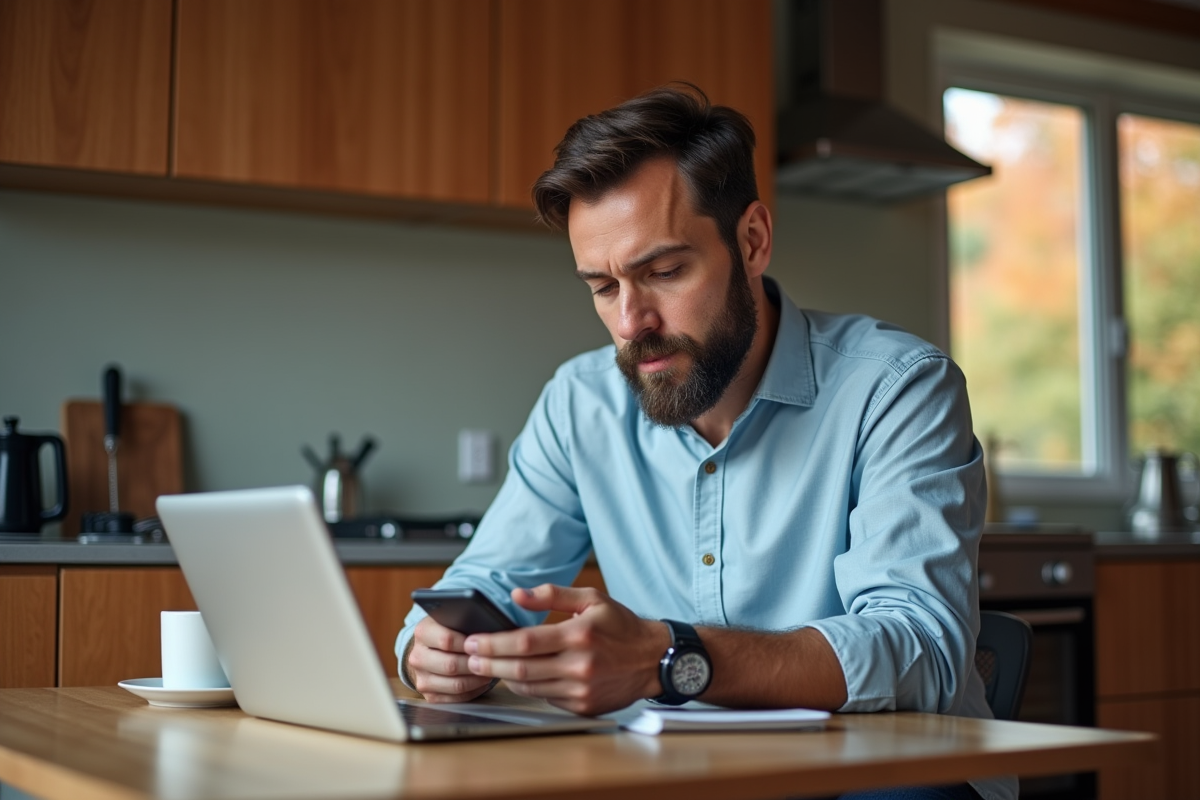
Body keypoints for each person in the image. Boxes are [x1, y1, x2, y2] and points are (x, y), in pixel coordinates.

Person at [394, 85, 1014, 800]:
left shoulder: (897, 388)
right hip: (679, 775)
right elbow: (483, 586)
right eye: (602, 287)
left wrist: (670, 656)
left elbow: (922, 652)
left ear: (752, 241)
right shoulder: (580, 402)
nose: (631, 322)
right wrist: (430, 652)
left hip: (881, 774)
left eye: (663, 272)